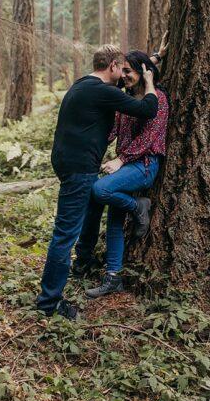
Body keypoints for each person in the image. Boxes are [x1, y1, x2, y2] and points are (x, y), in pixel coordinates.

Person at [35, 45, 159, 321]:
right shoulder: (104, 92)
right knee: (65, 233)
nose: (124, 75)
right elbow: (148, 108)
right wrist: (149, 82)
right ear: (113, 66)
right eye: (122, 69)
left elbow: (131, 72)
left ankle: (85, 260)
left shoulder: (84, 84)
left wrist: (154, 59)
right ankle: (49, 302)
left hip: (71, 164)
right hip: (79, 169)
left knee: (92, 206)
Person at [74, 50, 169, 299]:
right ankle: (113, 277)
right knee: (114, 222)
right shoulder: (124, 100)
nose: (124, 76)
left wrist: (122, 159)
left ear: (143, 73)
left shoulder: (158, 99)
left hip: (144, 165)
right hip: (124, 167)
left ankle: (138, 205)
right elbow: (112, 132)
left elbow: (150, 138)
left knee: (101, 190)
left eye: (129, 71)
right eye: (122, 70)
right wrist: (91, 153)